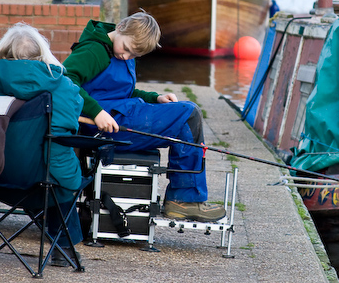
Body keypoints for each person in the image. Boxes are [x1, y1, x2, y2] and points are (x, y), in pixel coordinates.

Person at [63, 12, 227, 222]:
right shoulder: (94, 50)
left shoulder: (119, 50)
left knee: (187, 112)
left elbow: (122, 92)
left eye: (133, 56)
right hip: (103, 128)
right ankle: (184, 200)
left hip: (119, 117)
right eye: (127, 49)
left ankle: (184, 199)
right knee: (188, 114)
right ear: (121, 27)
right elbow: (66, 80)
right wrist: (96, 112)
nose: (126, 57)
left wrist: (155, 98)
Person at [0, 22, 85, 266]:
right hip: (40, 181)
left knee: (46, 169)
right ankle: (63, 246)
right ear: (42, 54)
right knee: (59, 175)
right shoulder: (64, 87)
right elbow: (63, 139)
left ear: (3, 53)